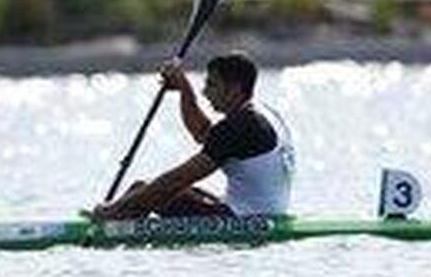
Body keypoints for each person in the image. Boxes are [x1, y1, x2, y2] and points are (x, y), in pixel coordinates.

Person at [88, 51, 294, 220]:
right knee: (144, 192)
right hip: (266, 211)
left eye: (212, 85)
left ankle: (113, 222)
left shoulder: (239, 127)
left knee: (141, 190)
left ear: (234, 89)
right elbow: (204, 134)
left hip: (245, 218)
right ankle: (121, 218)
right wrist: (184, 89)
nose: (205, 92)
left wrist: (116, 206)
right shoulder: (262, 113)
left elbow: (179, 178)